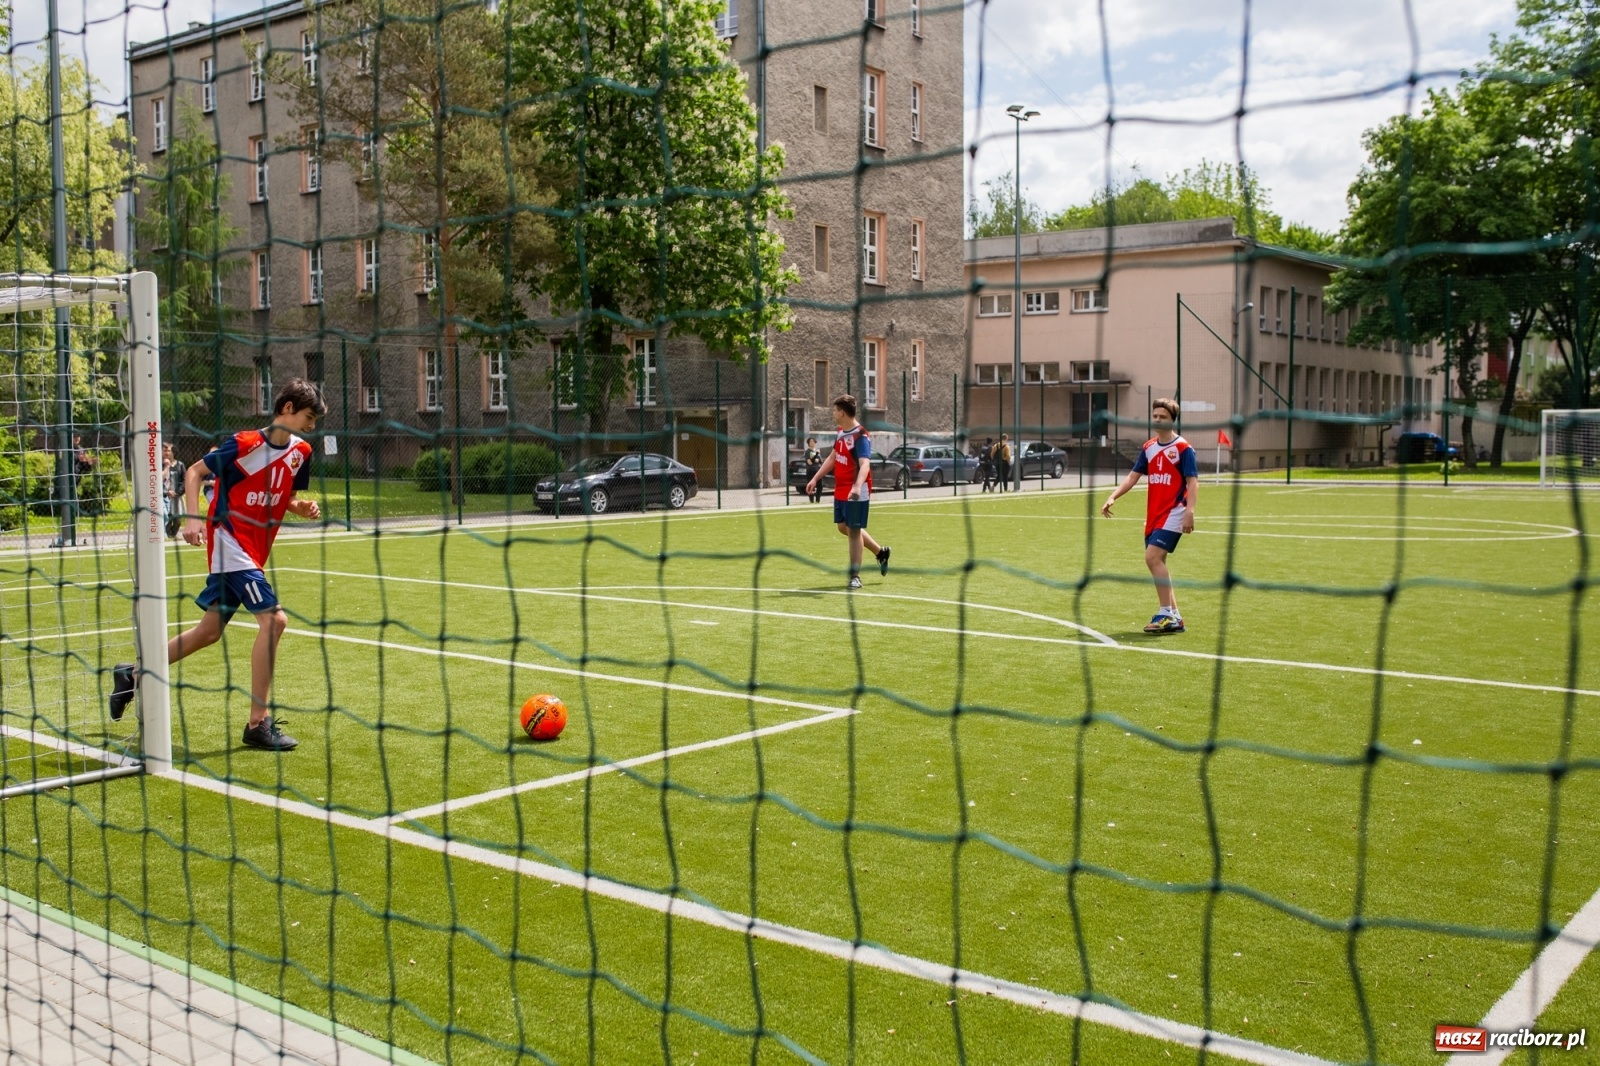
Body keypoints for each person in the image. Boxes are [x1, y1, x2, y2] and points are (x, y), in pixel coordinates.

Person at [110, 379, 325, 750]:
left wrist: (298, 507)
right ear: (287, 408)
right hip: (230, 542)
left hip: (253, 550)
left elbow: (284, 492)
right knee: (275, 621)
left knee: (208, 632)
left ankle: (131, 674)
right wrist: (193, 520)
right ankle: (258, 722)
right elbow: (194, 473)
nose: (311, 426)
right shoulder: (243, 444)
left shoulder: (300, 451)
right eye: (308, 417)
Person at [1100, 398, 1198, 634]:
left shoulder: (1183, 449)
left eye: (1162, 417)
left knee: (1152, 558)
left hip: (1174, 512)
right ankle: (1174, 616)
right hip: (1154, 514)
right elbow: (1133, 476)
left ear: (1172, 419)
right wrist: (1113, 496)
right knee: (1158, 562)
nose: (1157, 419)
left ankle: (1165, 613)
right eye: (1155, 416)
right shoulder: (1149, 448)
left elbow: (1193, 482)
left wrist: (1189, 513)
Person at [806, 394, 890, 590]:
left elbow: (865, 465)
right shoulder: (841, 432)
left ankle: (855, 577)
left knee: (853, 531)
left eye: (834, 410)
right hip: (841, 489)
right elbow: (833, 458)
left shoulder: (861, 436)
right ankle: (880, 553)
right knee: (843, 527)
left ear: (842, 412)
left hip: (856, 491)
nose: (833, 414)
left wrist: (857, 486)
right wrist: (815, 478)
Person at [162, 443, 187, 538]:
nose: (168, 453)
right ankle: (168, 535)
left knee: (177, 520)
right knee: (167, 517)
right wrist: (166, 492)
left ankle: (172, 535)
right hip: (165, 495)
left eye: (169, 451)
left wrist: (178, 492)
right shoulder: (160, 464)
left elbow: (184, 480)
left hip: (176, 496)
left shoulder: (180, 465)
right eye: (166, 451)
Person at [803, 436, 824, 503]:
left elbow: (821, 461)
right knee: (811, 486)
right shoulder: (808, 452)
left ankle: (818, 500)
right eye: (810, 441)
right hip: (811, 470)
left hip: (818, 471)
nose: (812, 443)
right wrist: (816, 456)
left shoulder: (817, 451)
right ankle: (811, 500)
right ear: (808, 443)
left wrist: (819, 459)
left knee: (820, 486)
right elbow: (810, 462)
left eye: (813, 441)